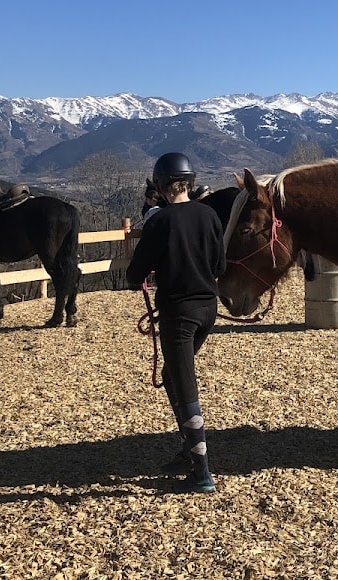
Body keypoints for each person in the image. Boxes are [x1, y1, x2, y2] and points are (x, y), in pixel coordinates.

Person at [126, 152, 226, 494]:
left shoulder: (159, 222)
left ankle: (201, 472)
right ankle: (188, 447)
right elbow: (220, 265)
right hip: (207, 311)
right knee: (172, 375)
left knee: (185, 386)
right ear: (188, 182)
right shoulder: (210, 215)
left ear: (162, 185)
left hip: (178, 315)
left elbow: (134, 275)